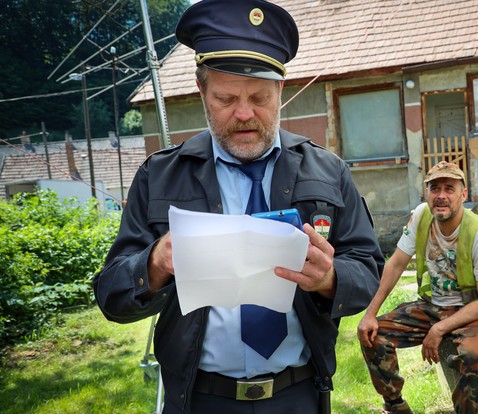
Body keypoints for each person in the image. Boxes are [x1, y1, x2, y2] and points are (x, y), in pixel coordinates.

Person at [92, 1, 384, 413]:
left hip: (298, 395)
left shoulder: (328, 170)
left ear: (281, 91)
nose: (245, 114)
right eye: (226, 98)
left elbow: (369, 269)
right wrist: (155, 263)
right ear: (201, 91)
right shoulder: (160, 176)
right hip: (200, 399)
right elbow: (111, 296)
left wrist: (331, 278)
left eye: (260, 98)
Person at [357, 161, 478, 414]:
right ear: (426, 193)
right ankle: (395, 406)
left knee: (474, 357)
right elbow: (395, 264)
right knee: (374, 333)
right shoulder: (421, 216)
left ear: (464, 194)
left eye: (449, 188)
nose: (441, 196)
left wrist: (439, 329)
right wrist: (370, 313)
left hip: (475, 312)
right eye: (434, 188)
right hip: (434, 306)